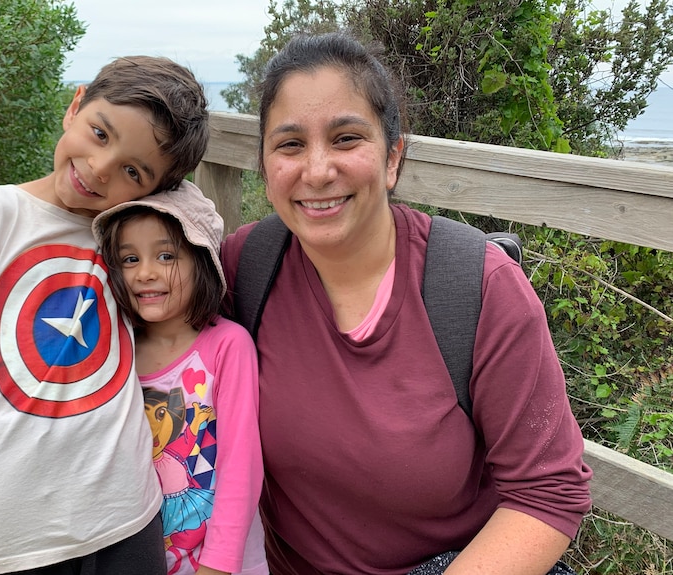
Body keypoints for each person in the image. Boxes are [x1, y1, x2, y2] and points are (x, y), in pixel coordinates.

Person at [217, 32, 593, 575]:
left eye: (346, 139)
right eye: (290, 144)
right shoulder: (245, 268)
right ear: (265, 165)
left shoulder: (479, 289)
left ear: (393, 157)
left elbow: (547, 494)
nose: (317, 170)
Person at [0, 55, 210, 575]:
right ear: (74, 105)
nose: (102, 168)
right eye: (100, 133)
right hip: (11, 529)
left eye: (133, 171)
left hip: (126, 512)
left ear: (155, 190)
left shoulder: (128, 236)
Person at [0, 185, 268, 575]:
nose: (145, 273)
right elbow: (54, 437)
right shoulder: (113, 347)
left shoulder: (227, 346)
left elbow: (241, 466)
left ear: (202, 261)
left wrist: (219, 565)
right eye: (129, 258)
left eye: (166, 256)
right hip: (128, 554)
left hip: (216, 563)